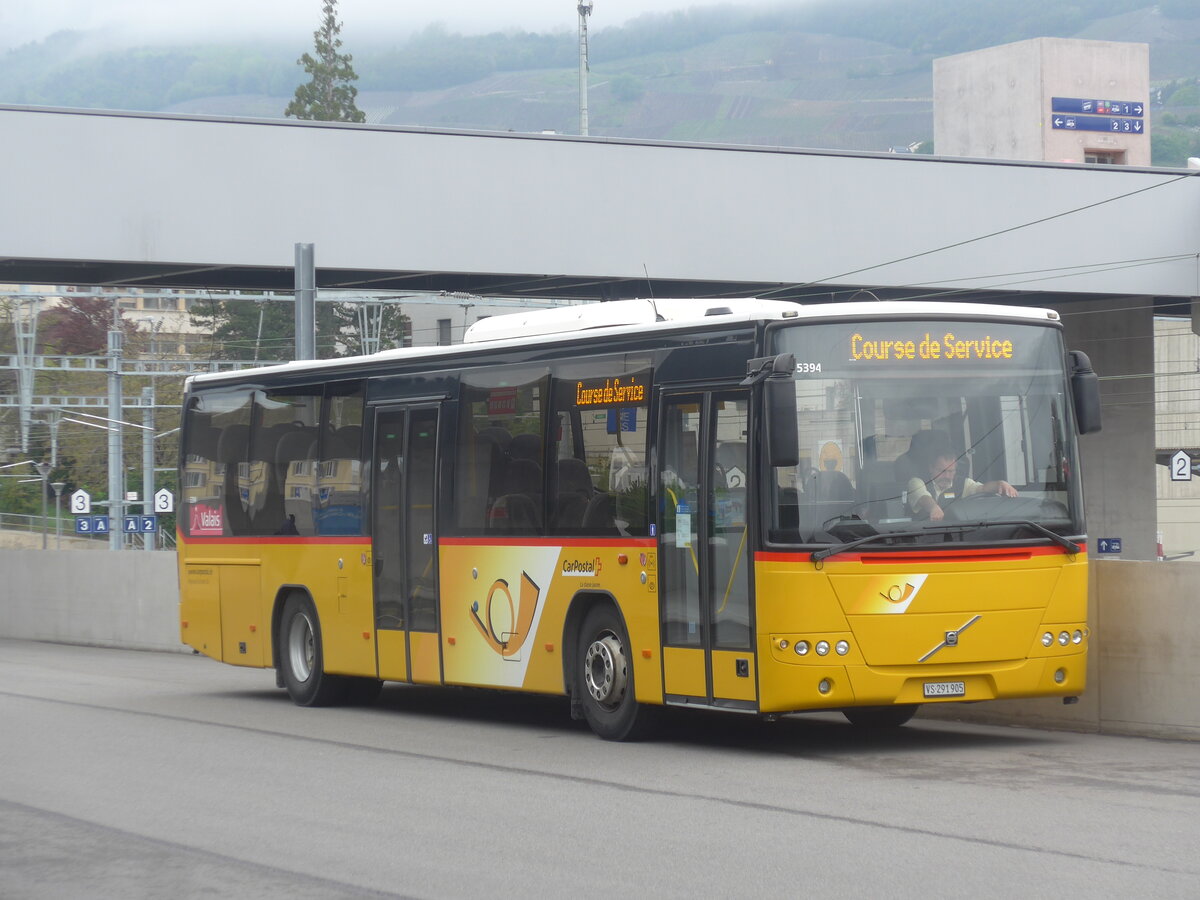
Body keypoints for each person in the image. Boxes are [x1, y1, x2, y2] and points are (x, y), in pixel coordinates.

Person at [907, 453, 1017, 521]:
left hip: (959, 538)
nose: (947, 476)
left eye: (951, 471)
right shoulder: (916, 482)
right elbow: (923, 497)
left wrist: (1000, 484)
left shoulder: (963, 483)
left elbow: (983, 488)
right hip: (923, 540)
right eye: (942, 471)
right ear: (931, 468)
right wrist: (933, 508)